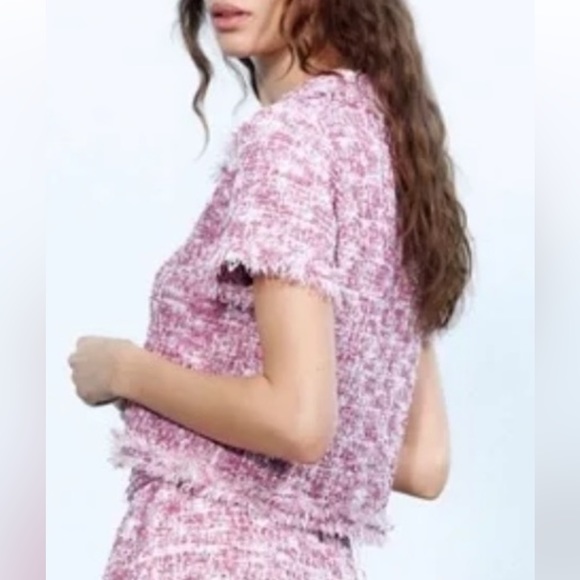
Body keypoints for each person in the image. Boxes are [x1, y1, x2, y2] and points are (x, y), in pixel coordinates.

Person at [67, 0, 471, 578]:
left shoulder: (288, 141)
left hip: (209, 549)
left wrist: (122, 370)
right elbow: (420, 460)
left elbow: (298, 422)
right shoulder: (390, 147)